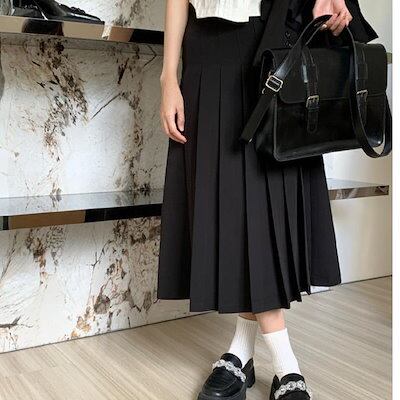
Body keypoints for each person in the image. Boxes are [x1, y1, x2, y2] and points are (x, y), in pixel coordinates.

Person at [157, 1, 377, 399]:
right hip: (205, 48)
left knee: (257, 205)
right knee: (233, 206)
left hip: (267, 37)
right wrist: (168, 76)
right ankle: (260, 358)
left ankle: (270, 359)